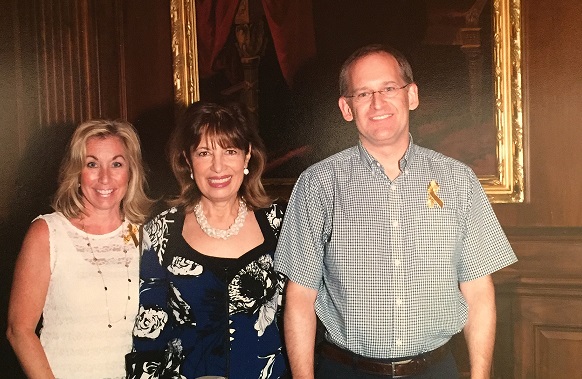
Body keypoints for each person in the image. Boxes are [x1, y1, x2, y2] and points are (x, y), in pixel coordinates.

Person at [274, 44, 518, 379]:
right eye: (363, 94)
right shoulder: (317, 185)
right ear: (346, 108)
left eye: (389, 88)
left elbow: (478, 289)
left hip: (436, 370)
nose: (378, 103)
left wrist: (480, 376)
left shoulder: (459, 180)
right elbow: (300, 296)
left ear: (412, 96)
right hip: (345, 370)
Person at [127, 101, 288, 379]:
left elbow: (301, 317)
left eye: (230, 151)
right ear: (188, 160)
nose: (218, 167)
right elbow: (149, 329)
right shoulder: (161, 231)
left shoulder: (280, 224)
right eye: (204, 152)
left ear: (248, 156)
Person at [6, 119, 153, 378]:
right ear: (77, 172)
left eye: (116, 164)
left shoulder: (146, 234)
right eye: (92, 164)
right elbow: (19, 330)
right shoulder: (47, 233)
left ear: (131, 171)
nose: (105, 177)